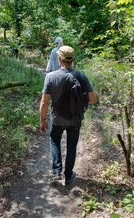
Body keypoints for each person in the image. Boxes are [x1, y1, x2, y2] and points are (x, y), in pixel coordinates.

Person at [40, 46, 96, 185]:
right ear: (73, 60)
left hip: (57, 119)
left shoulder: (50, 77)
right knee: (71, 146)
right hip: (75, 119)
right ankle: (68, 175)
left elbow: (44, 102)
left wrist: (42, 120)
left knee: (54, 140)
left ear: (59, 59)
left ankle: (56, 172)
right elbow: (93, 99)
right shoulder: (81, 76)